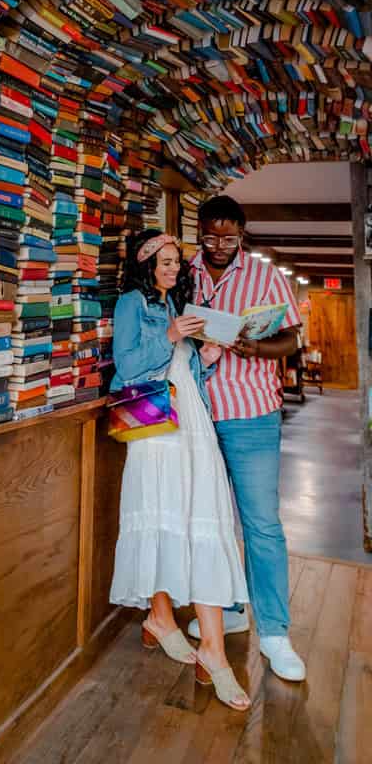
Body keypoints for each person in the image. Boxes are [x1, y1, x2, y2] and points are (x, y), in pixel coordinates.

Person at [109, 229, 251, 711]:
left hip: (191, 418)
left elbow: (182, 370)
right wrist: (170, 337)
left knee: (200, 516)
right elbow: (127, 366)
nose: (173, 269)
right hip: (154, 424)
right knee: (163, 515)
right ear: (146, 265)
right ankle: (164, 619)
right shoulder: (131, 303)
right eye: (164, 262)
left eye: (176, 262)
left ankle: (203, 644)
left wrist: (205, 359)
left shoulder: (176, 306)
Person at [187, 194, 306, 683]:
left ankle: (275, 632)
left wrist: (255, 347)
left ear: (243, 234)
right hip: (195, 414)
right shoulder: (183, 271)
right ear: (198, 231)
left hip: (252, 413)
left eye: (228, 237)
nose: (218, 245)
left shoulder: (266, 277)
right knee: (210, 520)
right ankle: (231, 608)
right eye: (210, 236)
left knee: (261, 524)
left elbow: (293, 339)